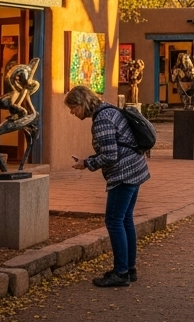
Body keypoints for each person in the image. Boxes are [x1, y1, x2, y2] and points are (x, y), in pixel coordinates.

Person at [65, 84, 151, 287]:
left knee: (114, 221)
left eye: (73, 107)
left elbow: (111, 155)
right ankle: (129, 268)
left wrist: (86, 163)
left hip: (124, 174)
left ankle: (121, 273)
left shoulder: (102, 119)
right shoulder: (109, 109)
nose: (72, 112)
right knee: (125, 219)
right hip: (135, 168)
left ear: (82, 103)